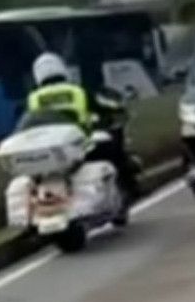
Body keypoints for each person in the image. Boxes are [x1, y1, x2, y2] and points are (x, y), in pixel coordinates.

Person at [26, 52, 139, 199]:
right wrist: (118, 109)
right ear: (61, 68)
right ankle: (127, 186)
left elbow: (30, 120)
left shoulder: (33, 98)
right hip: (80, 144)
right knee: (112, 147)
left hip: (50, 151)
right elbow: (102, 106)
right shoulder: (77, 91)